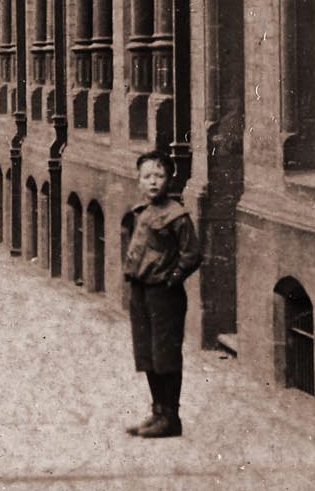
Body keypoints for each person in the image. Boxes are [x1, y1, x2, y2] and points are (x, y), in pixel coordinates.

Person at [121, 151, 203, 439]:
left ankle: (171, 417)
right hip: (141, 291)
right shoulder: (141, 212)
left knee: (165, 355)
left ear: (169, 180)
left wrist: (172, 279)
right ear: (139, 180)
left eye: (159, 176)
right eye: (147, 176)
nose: (153, 182)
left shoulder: (177, 215)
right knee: (147, 354)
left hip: (163, 295)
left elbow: (192, 254)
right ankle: (157, 411)